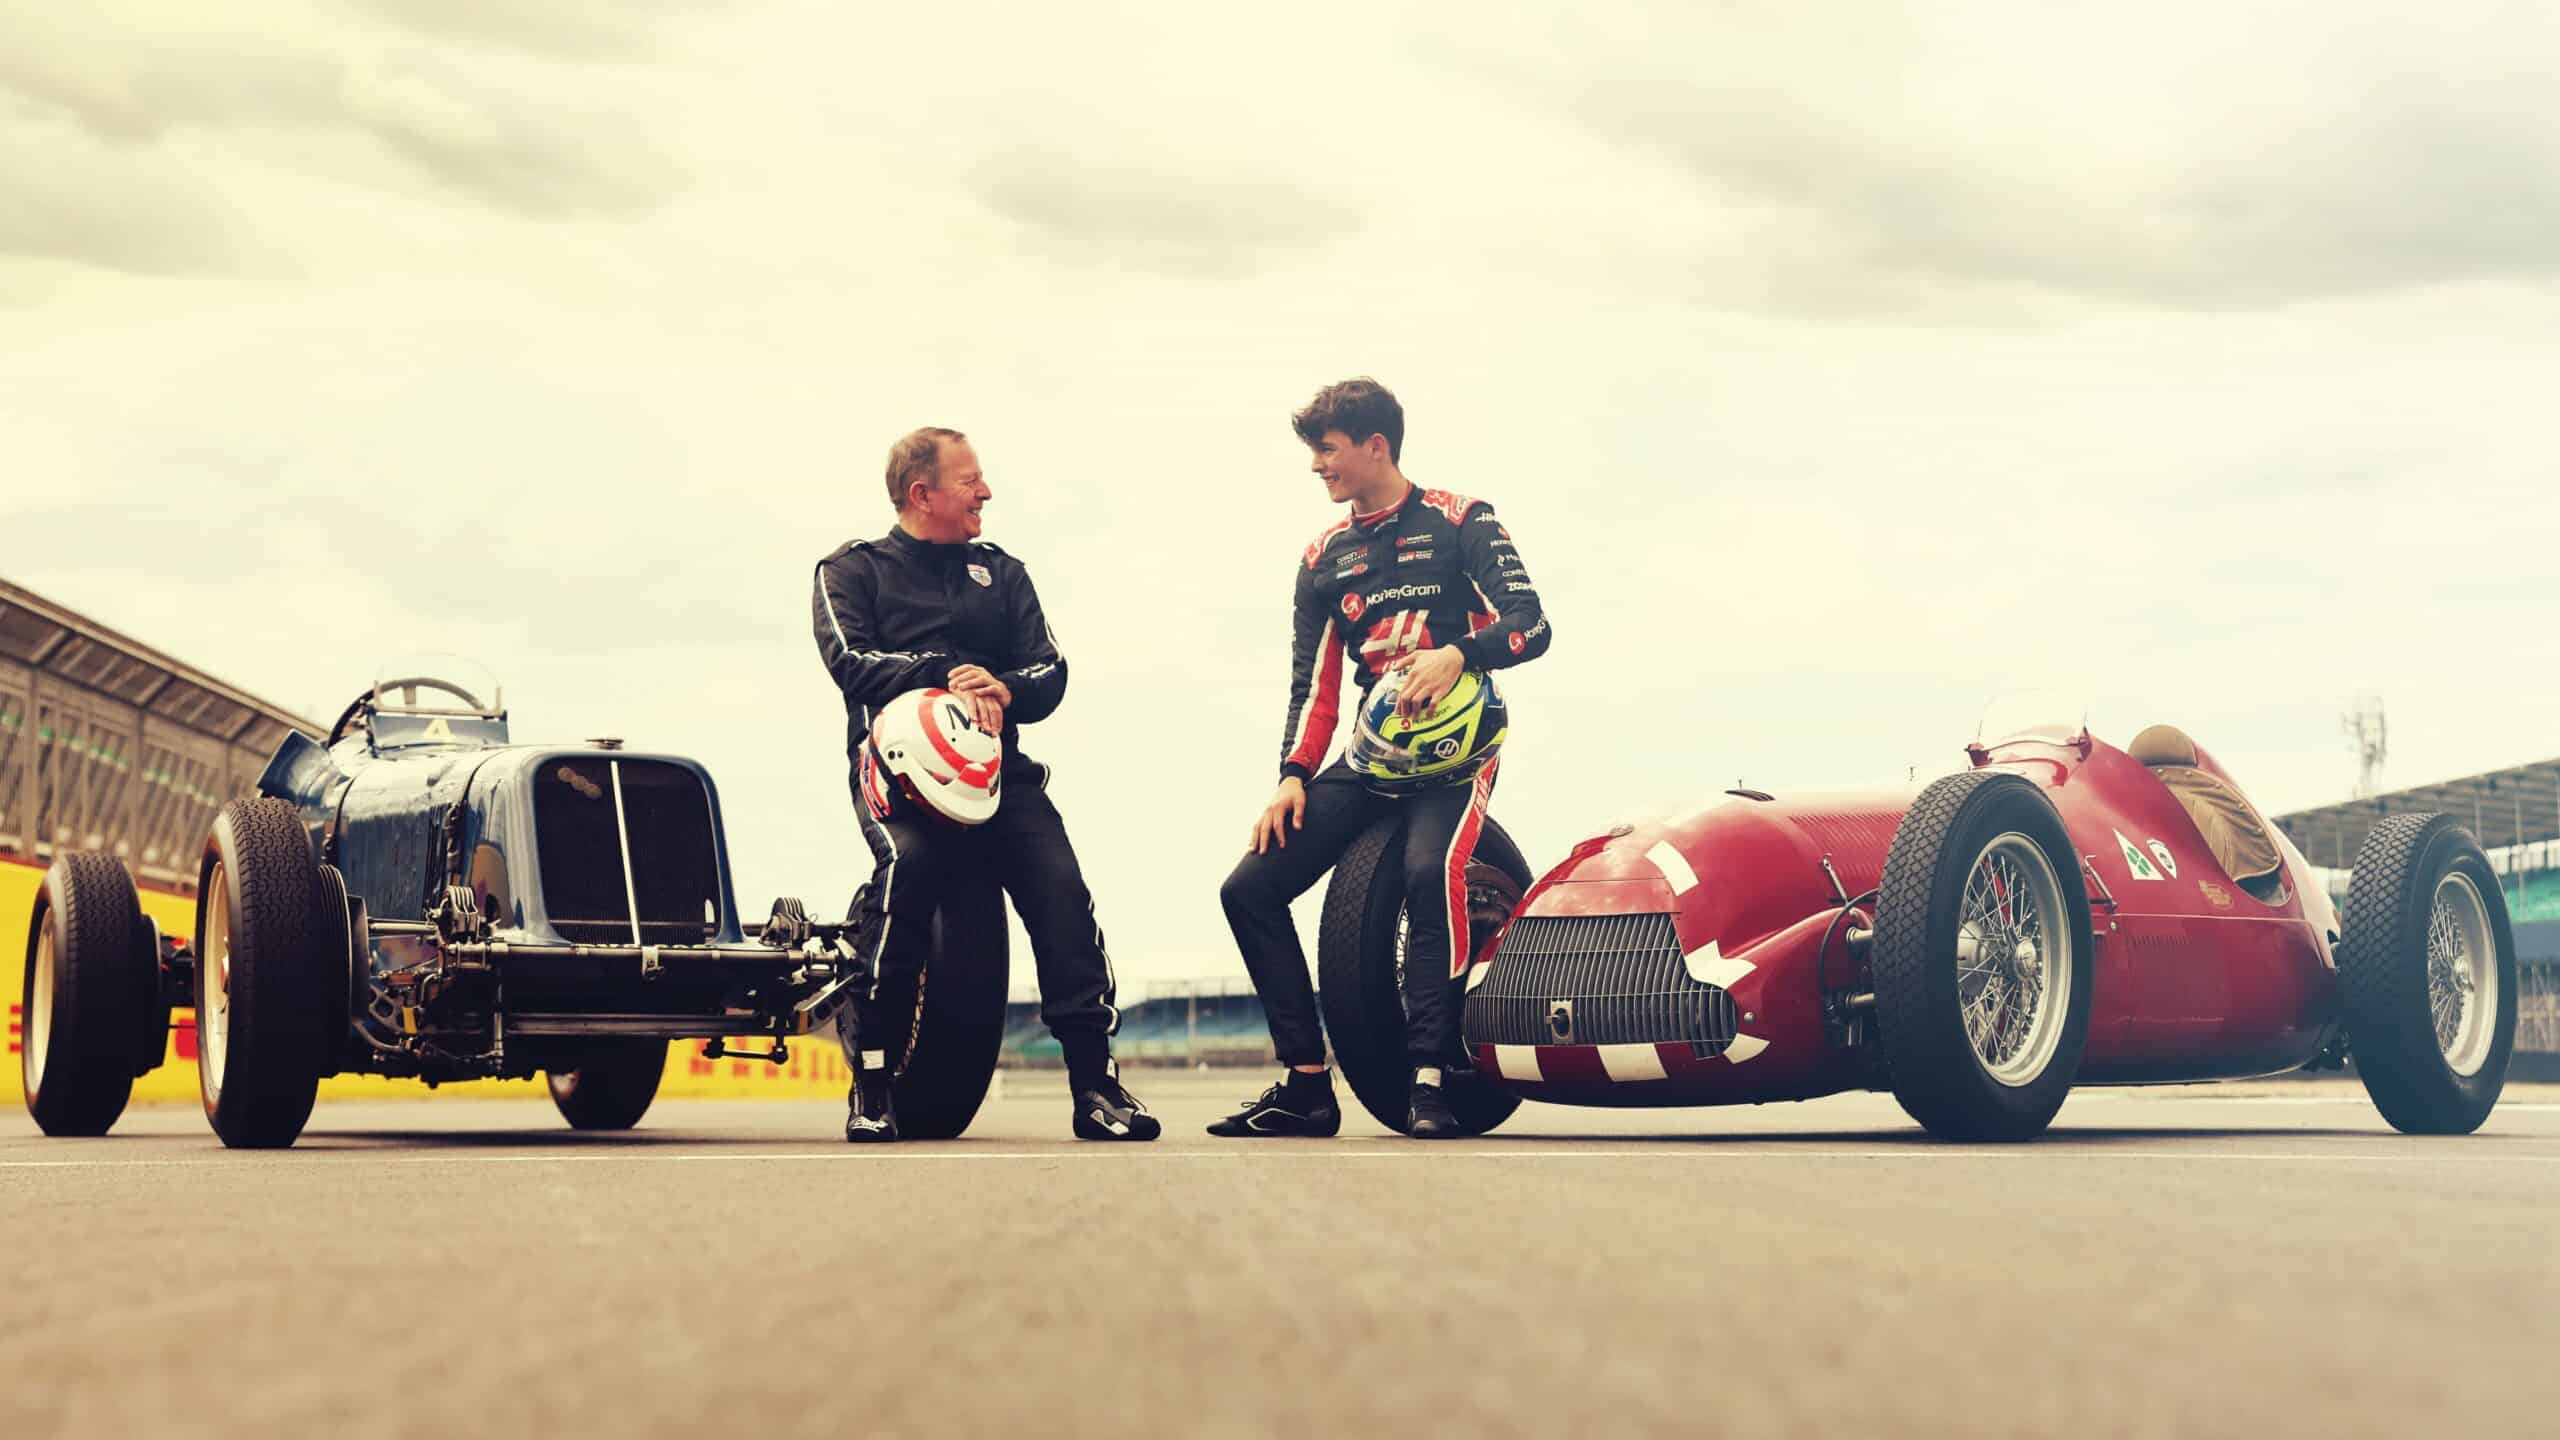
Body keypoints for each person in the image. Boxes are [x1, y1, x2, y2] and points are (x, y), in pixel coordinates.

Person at [1212, 379, 1553, 1139]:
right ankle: (1305, 1084)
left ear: (1375, 446)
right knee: (1250, 888)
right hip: (1368, 758)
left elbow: (1533, 625)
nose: (1316, 468)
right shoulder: (1322, 557)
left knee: (1429, 873)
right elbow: (1316, 688)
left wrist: (1459, 654)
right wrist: (1293, 776)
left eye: (1326, 451)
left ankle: (1430, 1078)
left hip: (1457, 757)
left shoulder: (1464, 520)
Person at [810, 426, 1157, 1143]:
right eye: (971, 482)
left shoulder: (1003, 573)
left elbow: (1049, 672)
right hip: (897, 772)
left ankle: (1097, 1086)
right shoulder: (850, 570)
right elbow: (851, 662)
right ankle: (872, 1084)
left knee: (1061, 891)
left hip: (1000, 773)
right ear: (922, 493)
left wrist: (1000, 685)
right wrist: (943, 671)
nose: (986, 493)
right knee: (909, 876)